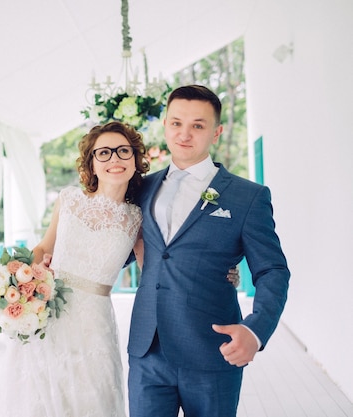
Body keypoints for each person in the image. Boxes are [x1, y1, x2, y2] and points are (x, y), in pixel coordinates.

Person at [127, 85, 290, 417]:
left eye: (198, 126)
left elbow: (272, 270)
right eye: (176, 123)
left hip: (213, 351)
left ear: (216, 132)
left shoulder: (249, 197)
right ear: (165, 125)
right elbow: (119, 246)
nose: (184, 134)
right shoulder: (140, 187)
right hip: (147, 352)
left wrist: (255, 329)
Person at [0, 121, 147, 417]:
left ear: (135, 160)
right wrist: (19, 285)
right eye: (104, 153)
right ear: (91, 163)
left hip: (94, 324)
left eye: (123, 151)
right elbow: (43, 248)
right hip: (50, 313)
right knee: (39, 398)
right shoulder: (69, 200)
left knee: (89, 400)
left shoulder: (137, 218)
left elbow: (152, 271)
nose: (114, 158)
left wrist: (220, 273)